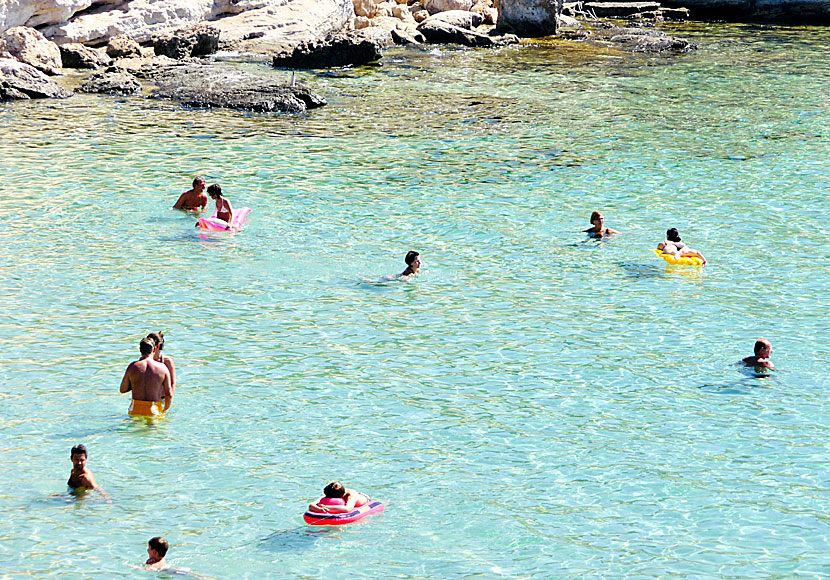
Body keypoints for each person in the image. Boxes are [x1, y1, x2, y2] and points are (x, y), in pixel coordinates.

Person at [120, 338, 172, 417]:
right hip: (154, 408)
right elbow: (169, 394)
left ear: (140, 350)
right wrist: (165, 409)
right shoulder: (162, 368)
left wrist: (136, 384)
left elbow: (122, 389)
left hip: (135, 408)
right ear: (154, 349)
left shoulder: (132, 366)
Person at [147, 331, 176, 395]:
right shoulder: (144, 362)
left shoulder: (167, 362)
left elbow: (173, 383)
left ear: (157, 346)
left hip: (162, 398)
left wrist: (168, 398)